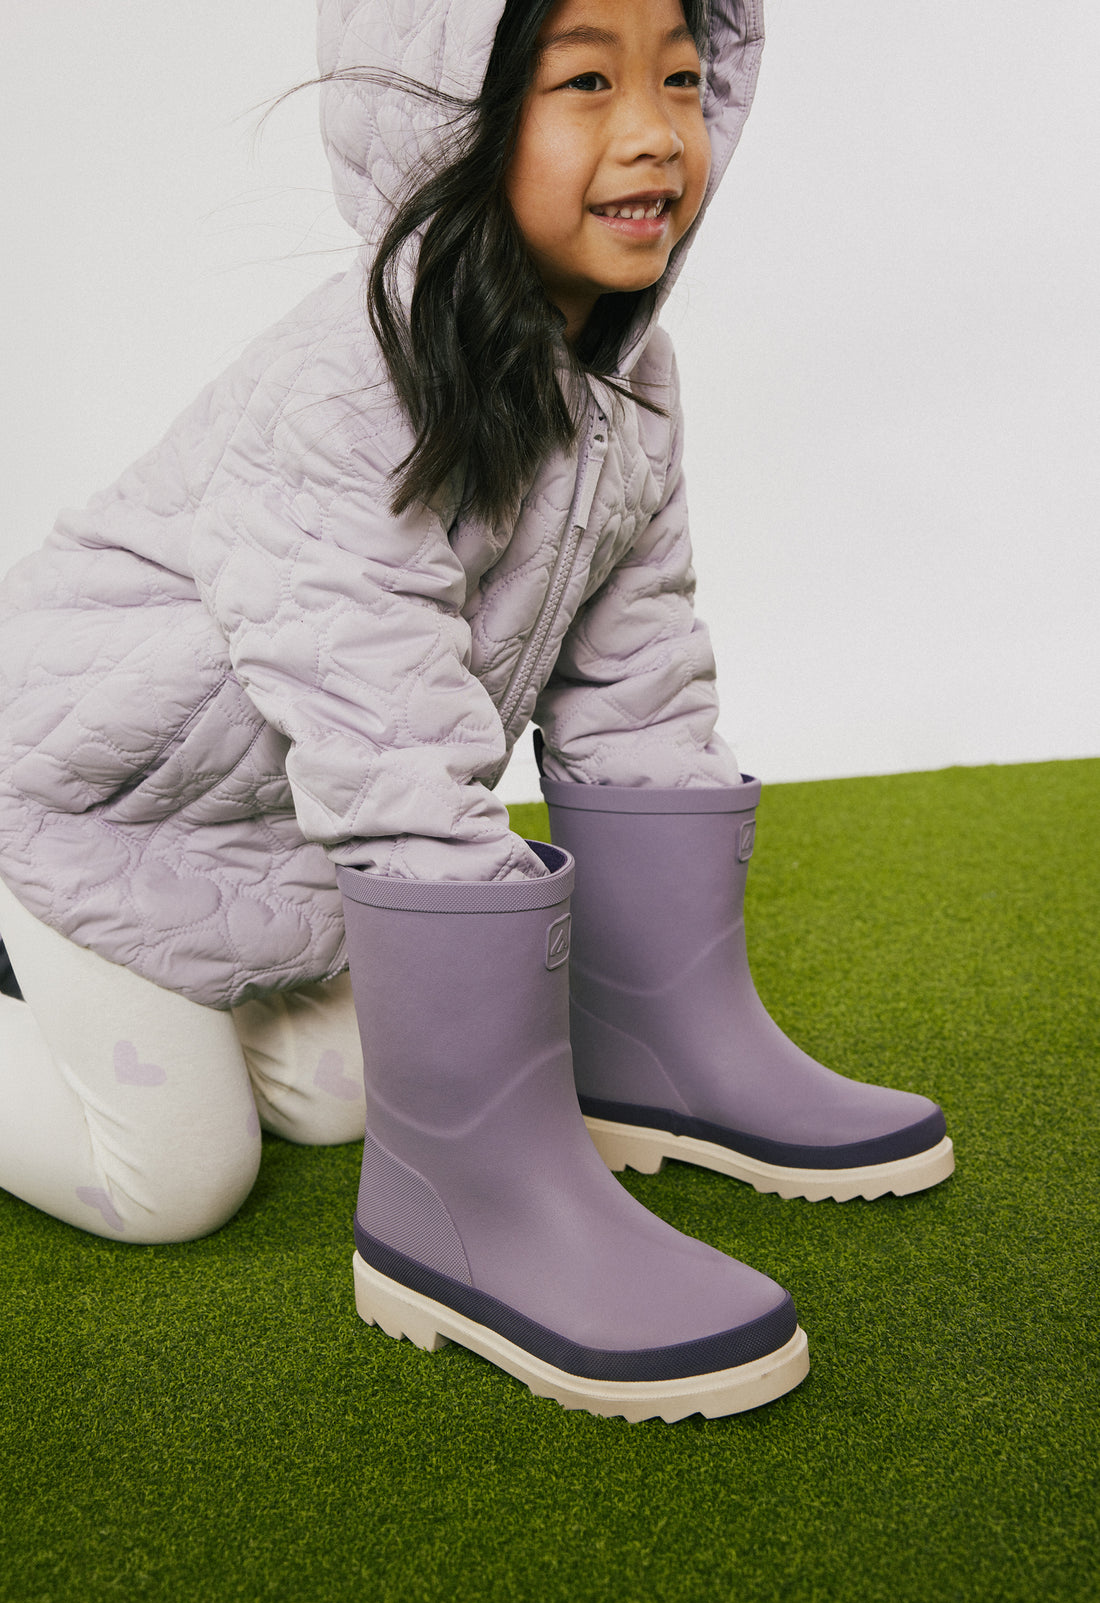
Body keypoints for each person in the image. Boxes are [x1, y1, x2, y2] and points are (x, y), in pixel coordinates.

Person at [0, 0, 953, 1421]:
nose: (657, 131)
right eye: (588, 79)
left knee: (355, 1092)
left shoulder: (629, 377)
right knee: (176, 1180)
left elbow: (641, 681)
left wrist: (658, 1004)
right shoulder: (343, 388)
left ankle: (656, 1054)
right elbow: (383, 734)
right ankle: (446, 1222)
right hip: (89, 817)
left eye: (681, 76)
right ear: (452, 120)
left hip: (261, 847)